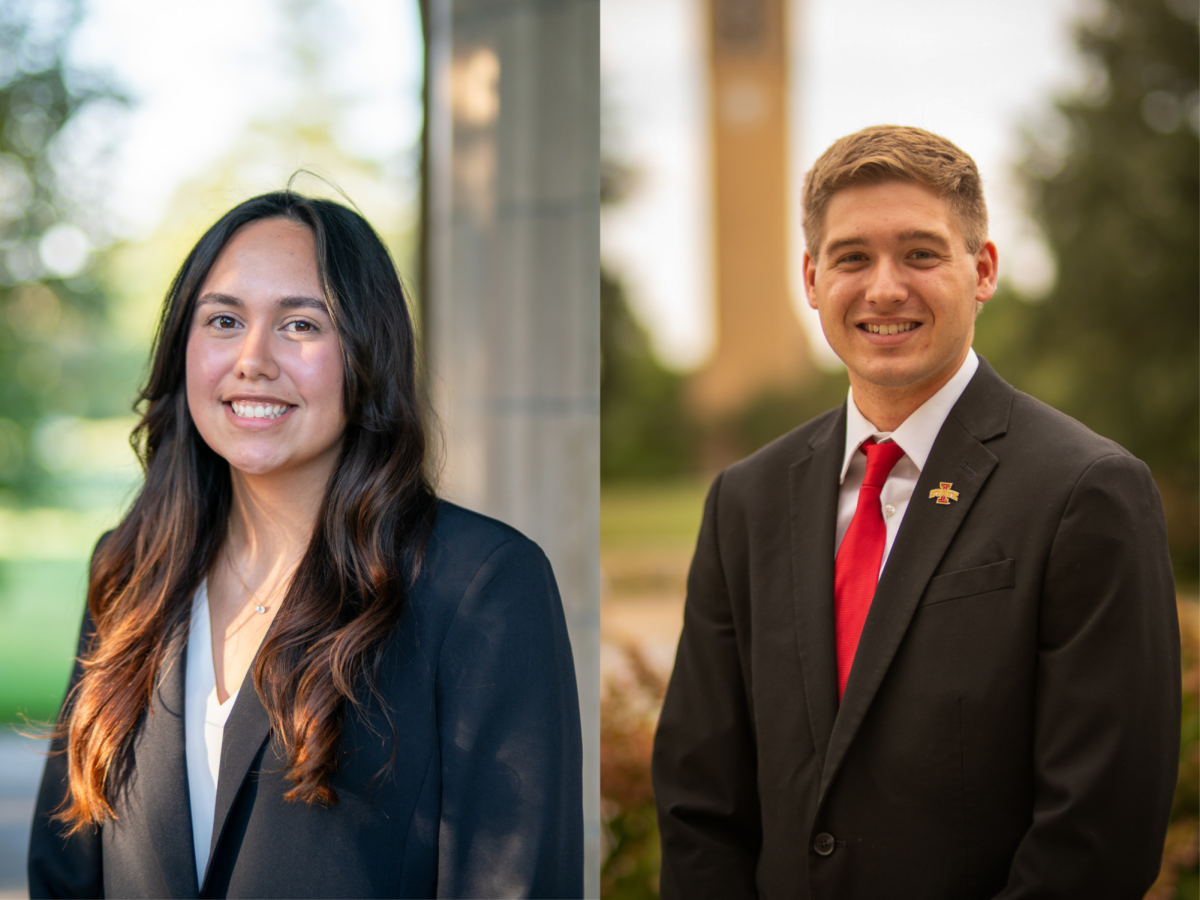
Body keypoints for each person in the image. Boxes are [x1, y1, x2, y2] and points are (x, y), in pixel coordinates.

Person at [652, 126, 1180, 898]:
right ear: (810, 277)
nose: (885, 288)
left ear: (983, 269)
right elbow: (700, 800)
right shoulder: (745, 500)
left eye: (921, 254)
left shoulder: (1087, 492)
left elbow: (1100, 833)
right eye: (852, 257)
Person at [28, 191, 583, 898]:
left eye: (300, 325)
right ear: (184, 348)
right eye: (224, 320)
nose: (253, 360)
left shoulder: (479, 586)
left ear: (366, 353)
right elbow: (66, 868)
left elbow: (513, 881)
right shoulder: (131, 571)